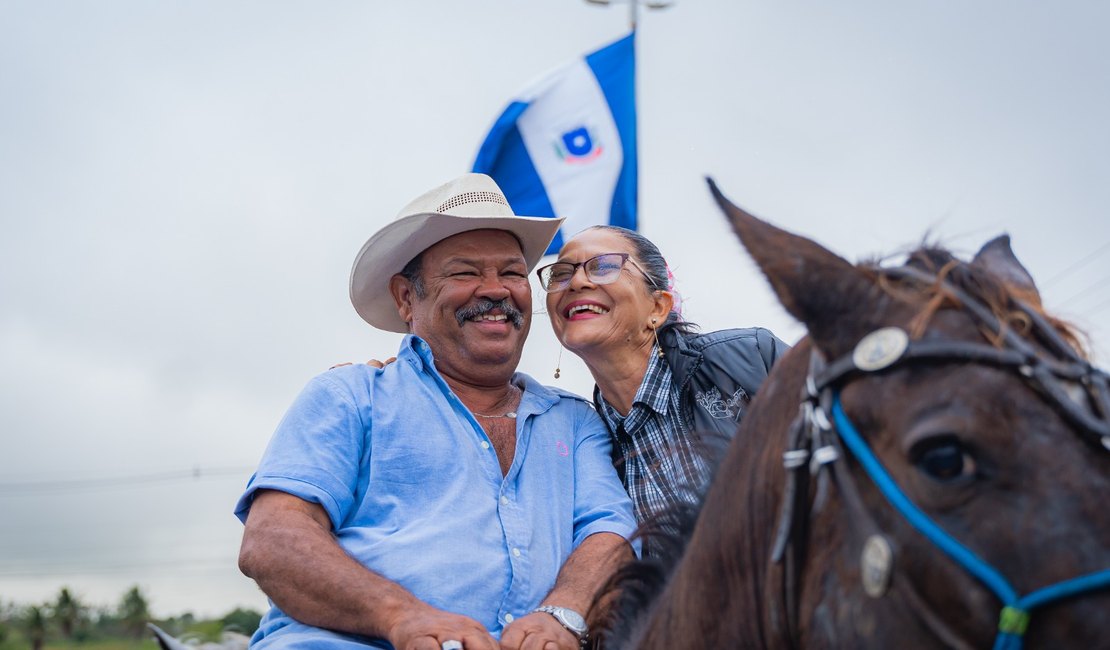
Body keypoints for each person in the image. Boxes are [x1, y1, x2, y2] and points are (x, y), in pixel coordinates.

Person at [235, 173, 638, 650]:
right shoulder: (350, 395)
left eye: (511, 273)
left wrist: (563, 614)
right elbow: (274, 539)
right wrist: (401, 617)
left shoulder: (574, 421)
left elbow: (611, 530)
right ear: (407, 298)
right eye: (465, 272)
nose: (496, 290)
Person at [536, 225, 788, 528]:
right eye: (561, 273)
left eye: (603, 266)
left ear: (657, 307)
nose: (576, 282)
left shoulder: (751, 359)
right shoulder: (585, 442)